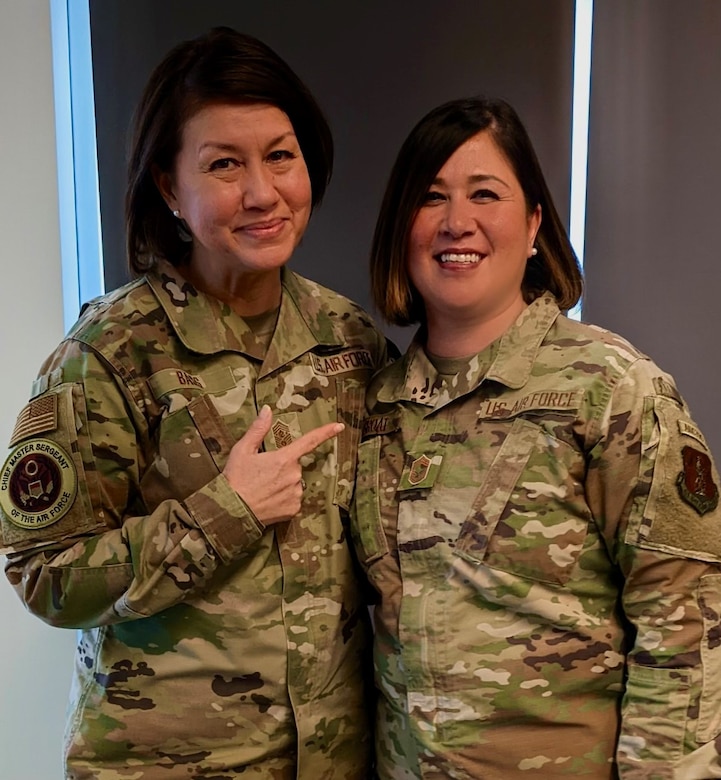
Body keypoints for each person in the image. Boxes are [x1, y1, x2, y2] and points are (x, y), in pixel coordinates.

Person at [0, 26, 390, 779]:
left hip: (335, 760)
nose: (262, 192)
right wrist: (225, 514)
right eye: (222, 165)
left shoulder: (350, 342)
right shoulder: (108, 355)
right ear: (168, 187)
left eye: (281, 155)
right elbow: (45, 573)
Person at [351, 95, 721, 779]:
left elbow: (686, 626)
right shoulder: (374, 408)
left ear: (532, 225)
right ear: (400, 227)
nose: (456, 222)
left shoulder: (609, 388)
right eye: (430, 198)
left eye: (483, 193)